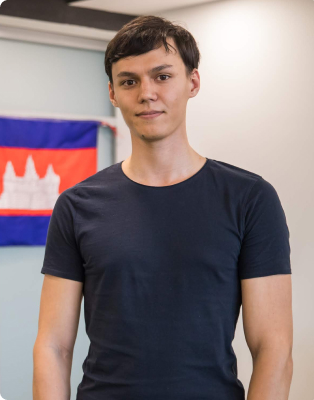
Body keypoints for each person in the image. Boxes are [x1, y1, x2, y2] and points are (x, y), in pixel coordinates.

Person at [33, 15, 293, 400]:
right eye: (129, 81)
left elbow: (274, 348)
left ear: (193, 82)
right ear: (112, 93)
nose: (146, 93)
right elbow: (53, 346)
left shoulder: (250, 199)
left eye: (162, 76)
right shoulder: (77, 205)